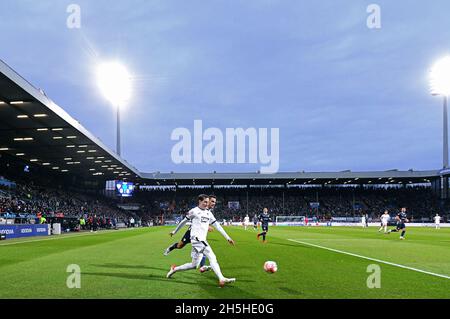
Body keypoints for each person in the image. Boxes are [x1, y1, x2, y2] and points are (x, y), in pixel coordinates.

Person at [166, 194, 235, 287]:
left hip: (201, 240)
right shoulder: (194, 211)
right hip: (196, 239)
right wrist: (175, 231)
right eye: (205, 202)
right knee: (212, 257)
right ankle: (221, 278)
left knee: (194, 265)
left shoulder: (209, 213)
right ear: (200, 201)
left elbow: (217, 226)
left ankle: (174, 269)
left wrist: (228, 238)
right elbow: (183, 222)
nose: (207, 204)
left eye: (208, 202)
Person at [163, 195, 216, 273]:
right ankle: (171, 248)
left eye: (214, 202)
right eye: (212, 201)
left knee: (202, 249)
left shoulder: (208, 212)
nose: (213, 203)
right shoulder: (199, 209)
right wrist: (174, 231)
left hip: (199, 236)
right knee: (180, 246)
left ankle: (202, 266)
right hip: (191, 232)